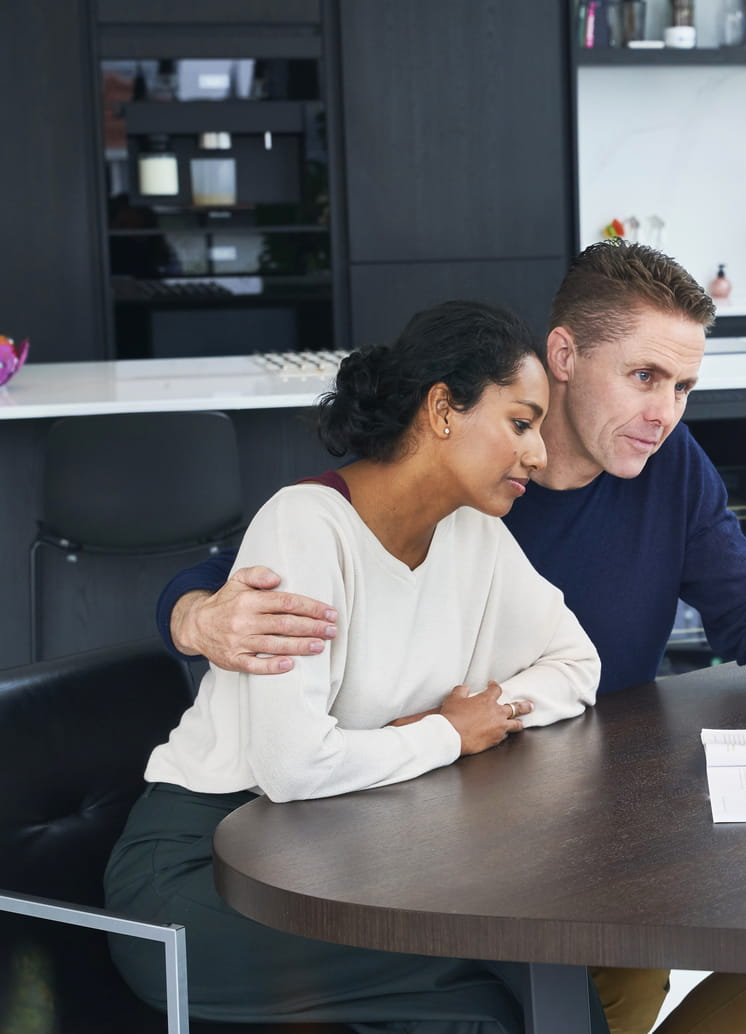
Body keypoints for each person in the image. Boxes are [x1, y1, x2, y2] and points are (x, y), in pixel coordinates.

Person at [153, 240, 746, 1034]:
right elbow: (251, 573)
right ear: (564, 356)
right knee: (579, 990)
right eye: (644, 376)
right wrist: (195, 616)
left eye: (684, 387)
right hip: (423, 818)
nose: (665, 413)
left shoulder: (636, 474)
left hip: (578, 797)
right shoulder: (451, 489)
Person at [107, 300, 604, 1032]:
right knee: (493, 977)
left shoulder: (475, 533)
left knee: (526, 966)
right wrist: (445, 733)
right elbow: (292, 769)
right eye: (521, 423)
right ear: (443, 410)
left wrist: (485, 714)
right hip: (204, 872)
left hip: (332, 855)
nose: (539, 455)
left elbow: (576, 664)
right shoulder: (305, 525)